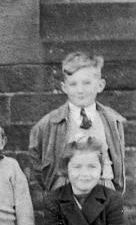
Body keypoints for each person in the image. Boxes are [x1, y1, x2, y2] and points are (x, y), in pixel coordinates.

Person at [28, 51, 125, 200]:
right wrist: (52, 184)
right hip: (65, 187)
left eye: (87, 83)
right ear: (64, 87)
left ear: (100, 85)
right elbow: (35, 156)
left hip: (103, 185)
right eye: (73, 84)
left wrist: (114, 186)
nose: (80, 90)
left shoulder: (112, 120)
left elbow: (119, 158)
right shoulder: (50, 122)